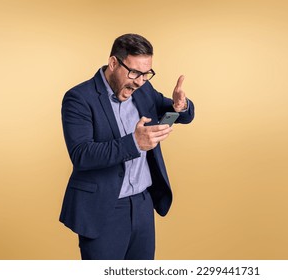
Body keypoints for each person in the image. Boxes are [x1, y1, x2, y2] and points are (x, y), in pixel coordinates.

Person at [59, 34, 195, 260]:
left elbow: (178, 114)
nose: (140, 81)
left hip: (143, 204)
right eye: (134, 73)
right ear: (114, 63)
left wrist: (180, 106)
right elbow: (82, 155)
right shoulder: (79, 98)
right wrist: (134, 143)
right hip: (104, 209)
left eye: (146, 74)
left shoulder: (143, 89)